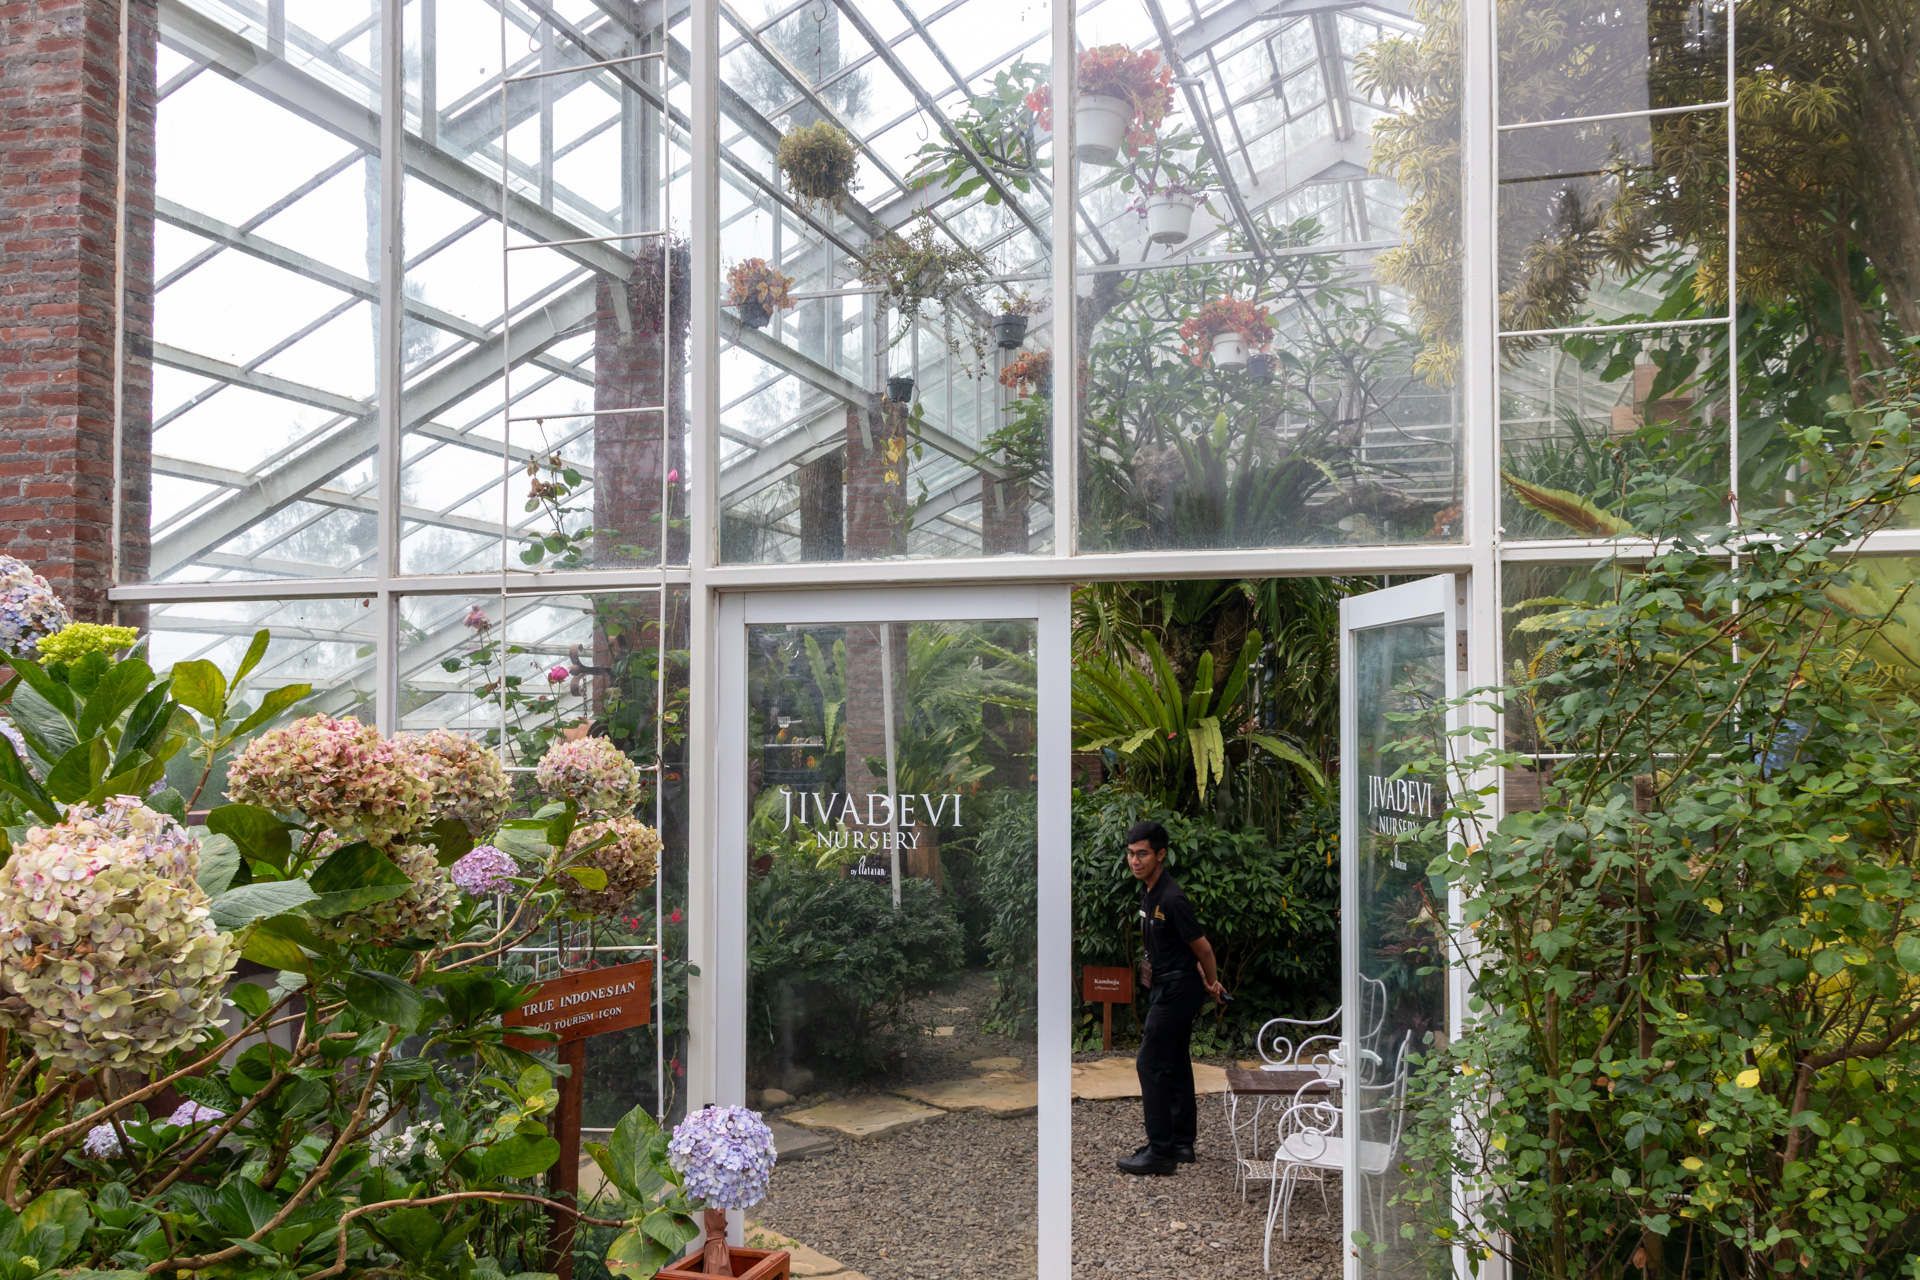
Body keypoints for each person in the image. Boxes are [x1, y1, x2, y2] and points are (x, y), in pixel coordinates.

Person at [1116, 819, 1225, 1176]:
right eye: (1131, 854)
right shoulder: (1148, 891)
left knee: (1149, 1063)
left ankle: (1160, 1151)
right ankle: (1181, 1143)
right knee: (1174, 1061)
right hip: (1167, 985)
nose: (1135, 860)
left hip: (1179, 990)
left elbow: (1204, 948)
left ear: (1161, 854)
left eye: (1143, 854)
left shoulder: (1172, 898)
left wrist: (1212, 984)